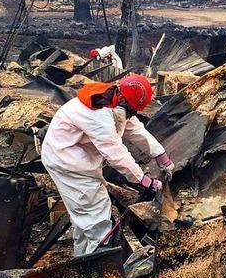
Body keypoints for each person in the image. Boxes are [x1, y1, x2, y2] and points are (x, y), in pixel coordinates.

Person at [41, 74, 174, 256]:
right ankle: (100, 268)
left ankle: (81, 261)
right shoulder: (98, 114)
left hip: (72, 158)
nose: (131, 115)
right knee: (97, 219)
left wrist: (161, 155)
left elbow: (135, 129)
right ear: (123, 100)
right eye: (131, 110)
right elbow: (116, 154)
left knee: (83, 218)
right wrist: (144, 180)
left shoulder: (112, 99)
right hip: (67, 163)